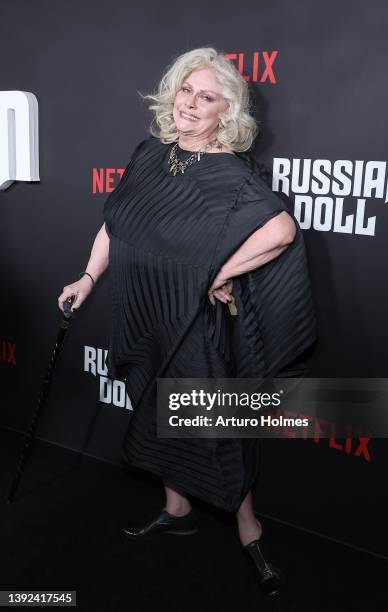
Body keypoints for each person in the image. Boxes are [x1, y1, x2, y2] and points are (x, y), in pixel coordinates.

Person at [58, 47, 316, 597]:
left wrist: (217, 270)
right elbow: (115, 224)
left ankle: (250, 530)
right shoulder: (150, 153)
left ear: (227, 111)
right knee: (153, 404)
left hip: (186, 316)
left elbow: (282, 232)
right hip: (139, 307)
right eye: (185, 90)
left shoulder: (227, 171)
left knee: (212, 423)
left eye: (207, 96)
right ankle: (177, 509)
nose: (191, 104)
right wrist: (86, 279)